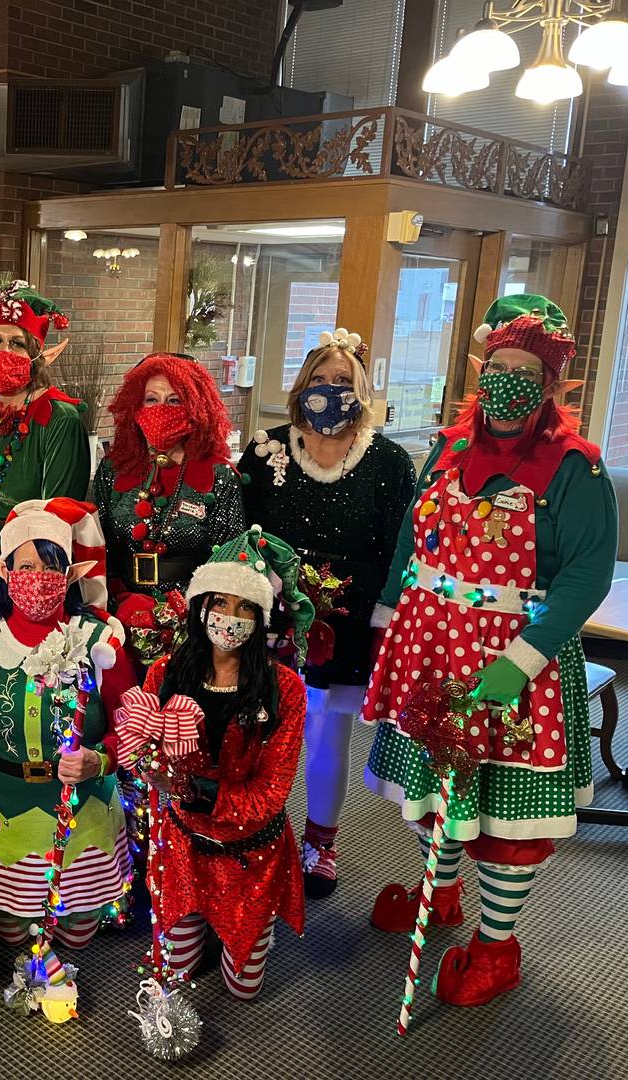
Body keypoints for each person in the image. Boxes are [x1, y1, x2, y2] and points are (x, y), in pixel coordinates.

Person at [361, 294, 617, 1008]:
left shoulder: (576, 468)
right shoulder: (446, 448)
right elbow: (413, 540)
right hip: (429, 645)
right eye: (497, 366)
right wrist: (390, 619)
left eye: (524, 371)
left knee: (504, 811)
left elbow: (587, 575)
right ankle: (438, 895)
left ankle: (498, 944)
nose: (506, 380)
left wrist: (519, 663)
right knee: (429, 790)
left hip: (513, 662)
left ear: (553, 385)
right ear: (481, 370)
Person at [239, 328, 416, 898]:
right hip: (270, 611)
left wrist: (386, 618)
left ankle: (320, 841)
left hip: (348, 618)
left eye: (343, 381)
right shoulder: (265, 449)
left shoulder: (387, 461)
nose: (330, 390)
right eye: (319, 379)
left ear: (362, 389)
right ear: (301, 384)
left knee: (325, 729)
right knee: (253, 728)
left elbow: (400, 546)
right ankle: (248, 830)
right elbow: (240, 532)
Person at [117, 526, 312, 1000]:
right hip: (183, 849)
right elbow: (142, 744)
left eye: (246, 607)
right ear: (200, 605)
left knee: (243, 987)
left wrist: (195, 791)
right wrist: (145, 764)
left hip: (250, 855)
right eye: (220, 602)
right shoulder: (165, 672)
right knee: (176, 970)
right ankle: (199, 928)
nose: (231, 617)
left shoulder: (285, 688)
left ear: (263, 616)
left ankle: (237, 931)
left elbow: (270, 796)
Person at [0, 498, 136, 953]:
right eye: (24, 565)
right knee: (10, 933)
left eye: (49, 565)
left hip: (85, 817)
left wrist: (100, 759)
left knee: (79, 932)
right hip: (5, 815)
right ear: (4, 572)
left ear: (68, 576)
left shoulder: (100, 639)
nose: (36, 577)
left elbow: (135, 726)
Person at [0, 269, 90, 624]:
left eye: (17, 342)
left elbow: (56, 521)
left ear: (36, 357)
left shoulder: (59, 419)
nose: (3, 350)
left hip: (27, 584)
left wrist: (3, 589)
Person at [93, 353, 245, 663]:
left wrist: (188, 613)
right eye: (151, 399)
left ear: (196, 408)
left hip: (191, 622)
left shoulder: (219, 475)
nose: (161, 409)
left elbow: (231, 563)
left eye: (175, 401)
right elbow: (95, 545)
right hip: (117, 617)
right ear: (136, 407)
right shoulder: (113, 469)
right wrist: (110, 603)